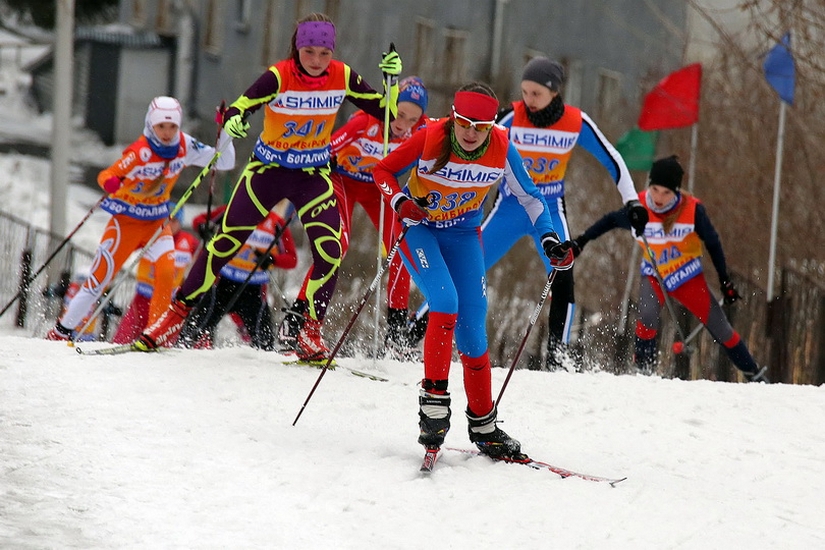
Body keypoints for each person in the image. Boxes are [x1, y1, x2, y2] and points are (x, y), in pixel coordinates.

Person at [134, 12, 403, 362]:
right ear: (297, 49)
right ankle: (175, 315)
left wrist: (391, 83)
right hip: (269, 170)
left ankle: (310, 332)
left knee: (331, 251)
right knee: (226, 241)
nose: (317, 61)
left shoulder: (342, 75)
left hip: (313, 174)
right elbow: (243, 105)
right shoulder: (280, 75)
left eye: (324, 53)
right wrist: (234, 123)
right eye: (309, 52)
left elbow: (385, 114)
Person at [372, 82, 573, 459]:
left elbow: (532, 198)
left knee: (473, 332)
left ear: (491, 126)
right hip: (422, 232)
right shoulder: (431, 138)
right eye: (464, 123)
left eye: (479, 126)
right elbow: (382, 170)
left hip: (464, 235)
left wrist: (549, 239)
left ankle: (484, 426)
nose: (470, 132)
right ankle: (433, 407)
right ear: (453, 117)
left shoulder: (501, 146)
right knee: (444, 302)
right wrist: (401, 202)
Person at [45, 96, 236, 341]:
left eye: (172, 127)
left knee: (167, 273)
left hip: (157, 225)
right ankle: (62, 331)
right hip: (126, 224)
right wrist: (111, 182)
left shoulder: (184, 146)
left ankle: (156, 334)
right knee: (99, 279)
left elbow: (225, 160)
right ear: (150, 125)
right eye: (161, 127)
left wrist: (226, 130)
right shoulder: (140, 152)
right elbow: (107, 174)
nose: (167, 133)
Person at [570, 155, 770, 383]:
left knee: (721, 328)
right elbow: (609, 221)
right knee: (646, 317)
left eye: (666, 193)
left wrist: (724, 280)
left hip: (686, 276)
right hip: (654, 274)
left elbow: (713, 243)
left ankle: (755, 376)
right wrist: (582, 240)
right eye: (655, 189)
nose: (659, 197)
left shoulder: (693, 210)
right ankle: (643, 373)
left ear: (676, 191)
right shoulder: (639, 206)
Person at [278, 76, 429, 356]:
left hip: (378, 189)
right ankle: (298, 316)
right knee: (338, 245)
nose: (403, 125)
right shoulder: (365, 122)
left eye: (412, 120)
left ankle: (395, 331)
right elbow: (328, 148)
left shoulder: (423, 130)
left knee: (401, 247)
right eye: (400, 114)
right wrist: (318, 166)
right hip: (344, 181)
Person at [177, 204, 297, 350]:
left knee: (265, 344)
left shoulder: (277, 223)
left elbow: (292, 259)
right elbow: (199, 220)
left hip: (254, 291)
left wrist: (271, 259)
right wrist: (204, 228)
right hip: (223, 284)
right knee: (191, 332)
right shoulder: (235, 208)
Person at [111, 203, 199, 344]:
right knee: (123, 338)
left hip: (167, 304)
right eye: (167, 219)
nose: (170, 224)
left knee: (159, 341)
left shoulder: (189, 241)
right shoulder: (153, 234)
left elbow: (203, 260)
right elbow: (128, 244)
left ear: (180, 223)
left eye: (174, 220)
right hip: (142, 299)